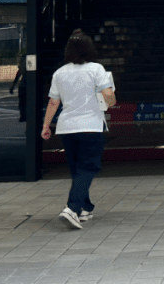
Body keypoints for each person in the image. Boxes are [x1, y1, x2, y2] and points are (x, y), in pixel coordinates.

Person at [41, 29, 116, 229]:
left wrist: (46, 125)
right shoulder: (96, 69)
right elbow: (108, 94)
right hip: (91, 126)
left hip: (67, 127)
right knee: (88, 167)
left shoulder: (60, 73)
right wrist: (112, 99)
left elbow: (53, 102)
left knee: (77, 168)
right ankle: (72, 208)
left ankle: (84, 207)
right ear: (89, 49)